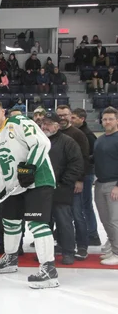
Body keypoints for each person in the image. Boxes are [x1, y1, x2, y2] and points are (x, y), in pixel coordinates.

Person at [0, 99, 59, 289]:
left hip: (38, 181)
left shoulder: (19, 123)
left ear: (3, 112)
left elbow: (42, 143)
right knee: (10, 221)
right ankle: (10, 258)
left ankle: (49, 269)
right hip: (14, 187)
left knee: (37, 223)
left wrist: (30, 167)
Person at [40, 112, 83, 265]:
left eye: (48, 123)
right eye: (43, 123)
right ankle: (46, 253)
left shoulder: (68, 142)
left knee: (64, 222)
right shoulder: (38, 141)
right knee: (44, 224)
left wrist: (63, 182)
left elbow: (76, 164)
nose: (45, 126)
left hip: (61, 190)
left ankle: (68, 252)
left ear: (57, 126)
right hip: (42, 190)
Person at [56, 105, 90, 261]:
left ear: (71, 116)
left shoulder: (78, 134)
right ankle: (62, 243)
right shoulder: (55, 133)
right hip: (59, 184)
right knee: (61, 217)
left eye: (65, 115)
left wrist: (79, 180)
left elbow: (83, 159)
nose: (62, 118)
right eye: (59, 115)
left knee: (77, 214)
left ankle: (82, 246)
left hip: (73, 182)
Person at [71, 108, 101, 246]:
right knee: (82, 204)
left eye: (74, 118)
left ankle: (92, 233)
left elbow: (92, 156)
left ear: (82, 119)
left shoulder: (87, 135)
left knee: (85, 204)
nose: (71, 120)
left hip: (86, 174)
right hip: (83, 173)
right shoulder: (79, 133)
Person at [94, 107, 118, 265]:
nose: (107, 122)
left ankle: (117, 252)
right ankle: (112, 248)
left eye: (110, 119)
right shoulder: (100, 139)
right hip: (99, 183)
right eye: (105, 119)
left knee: (114, 220)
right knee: (105, 220)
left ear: (117, 120)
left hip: (113, 185)